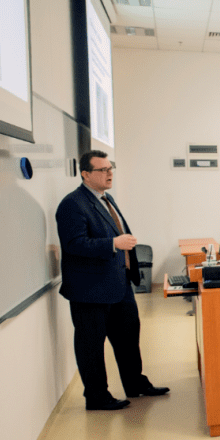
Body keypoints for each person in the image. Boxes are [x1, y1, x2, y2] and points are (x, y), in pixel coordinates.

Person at [55, 150, 168, 410]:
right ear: (85, 174)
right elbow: (73, 244)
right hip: (90, 290)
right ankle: (96, 397)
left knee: (128, 337)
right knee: (91, 346)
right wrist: (113, 243)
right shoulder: (72, 204)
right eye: (102, 170)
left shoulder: (106, 198)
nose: (109, 174)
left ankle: (136, 384)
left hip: (118, 283)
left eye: (110, 168)